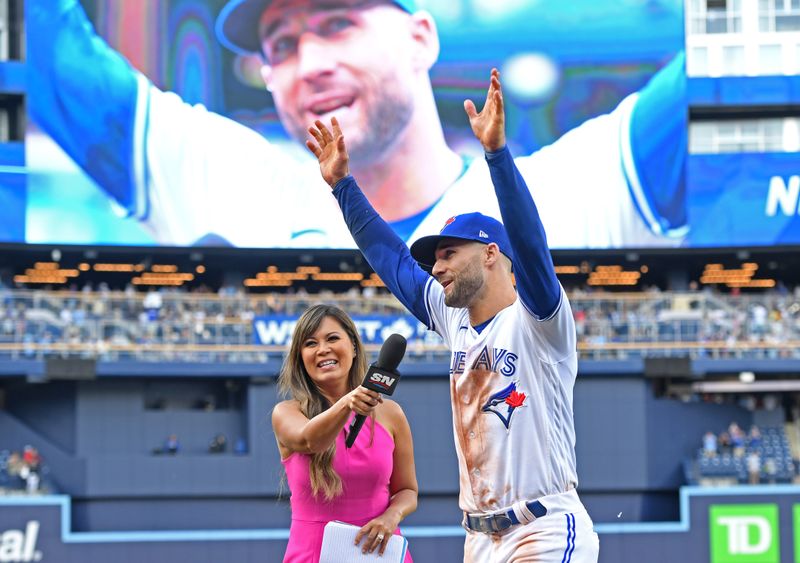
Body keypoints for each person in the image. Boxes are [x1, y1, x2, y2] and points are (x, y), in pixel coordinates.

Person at [28, 0, 686, 249]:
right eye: (281, 44)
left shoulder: (568, 190)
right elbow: (51, 52)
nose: (308, 63)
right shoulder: (233, 187)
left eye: (337, 23)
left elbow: (738, 52)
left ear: (421, 39)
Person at [306, 70, 598, 561]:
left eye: (447, 254)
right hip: (479, 537)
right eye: (435, 259)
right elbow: (394, 261)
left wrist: (498, 156)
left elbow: (529, 244)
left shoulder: (540, 323)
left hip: (542, 527)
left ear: (488, 254)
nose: (435, 267)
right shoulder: (454, 318)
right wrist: (342, 187)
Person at [272, 304, 417, 561]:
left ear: (352, 345)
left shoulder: (391, 414)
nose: (323, 349)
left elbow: (407, 491)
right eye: (310, 343)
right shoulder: (286, 413)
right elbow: (309, 440)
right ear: (300, 357)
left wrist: (390, 517)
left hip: (379, 552)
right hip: (312, 554)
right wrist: (348, 403)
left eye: (332, 338)